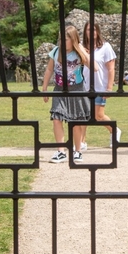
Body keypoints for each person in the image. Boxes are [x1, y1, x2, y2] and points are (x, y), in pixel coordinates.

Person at [41, 24, 90, 163]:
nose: (63, 41)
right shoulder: (56, 51)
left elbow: (95, 68)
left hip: (76, 89)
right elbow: (49, 70)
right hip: (59, 89)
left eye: (67, 39)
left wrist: (83, 52)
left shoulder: (78, 53)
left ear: (73, 39)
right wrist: (45, 88)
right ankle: (61, 151)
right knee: (56, 118)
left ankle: (78, 151)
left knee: (75, 121)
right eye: (61, 39)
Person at [82, 21, 121, 149]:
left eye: (93, 29)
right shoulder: (82, 48)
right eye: (88, 30)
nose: (91, 32)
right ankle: (82, 142)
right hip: (84, 86)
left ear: (97, 31)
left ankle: (114, 130)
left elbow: (111, 69)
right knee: (83, 115)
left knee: (98, 115)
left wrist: (109, 88)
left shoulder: (105, 47)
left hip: (100, 86)